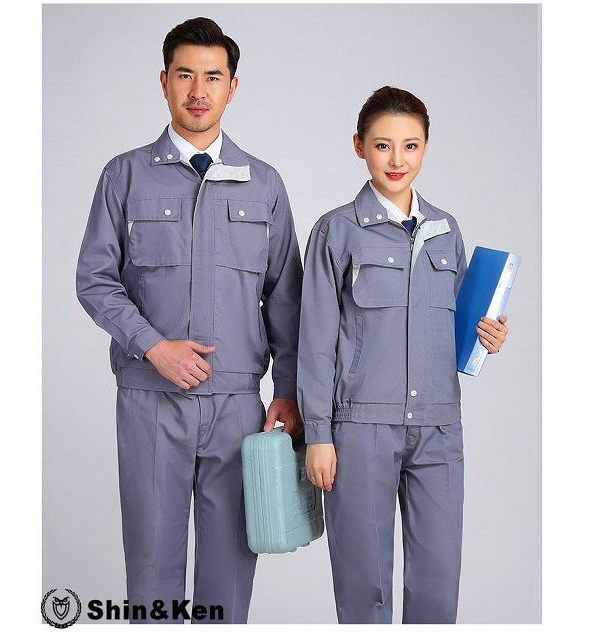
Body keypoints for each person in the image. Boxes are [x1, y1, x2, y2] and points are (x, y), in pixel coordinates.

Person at [76, 17, 303, 624]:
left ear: (232, 86)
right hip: (151, 399)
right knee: (151, 570)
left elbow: (286, 298)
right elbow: (95, 279)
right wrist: (153, 346)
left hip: (237, 406)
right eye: (185, 75)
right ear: (164, 82)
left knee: (229, 573)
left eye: (213, 77)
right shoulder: (124, 175)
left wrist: (286, 390)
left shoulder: (264, 184)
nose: (198, 91)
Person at [297, 86, 509, 624]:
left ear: (426, 148)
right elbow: (315, 342)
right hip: (361, 429)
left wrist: (488, 335)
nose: (397, 160)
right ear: (359, 146)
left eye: (410, 146)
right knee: (362, 586)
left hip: (438, 428)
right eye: (383, 145)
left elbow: (455, 325)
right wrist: (318, 435)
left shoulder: (446, 231)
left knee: (438, 582)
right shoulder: (336, 231)